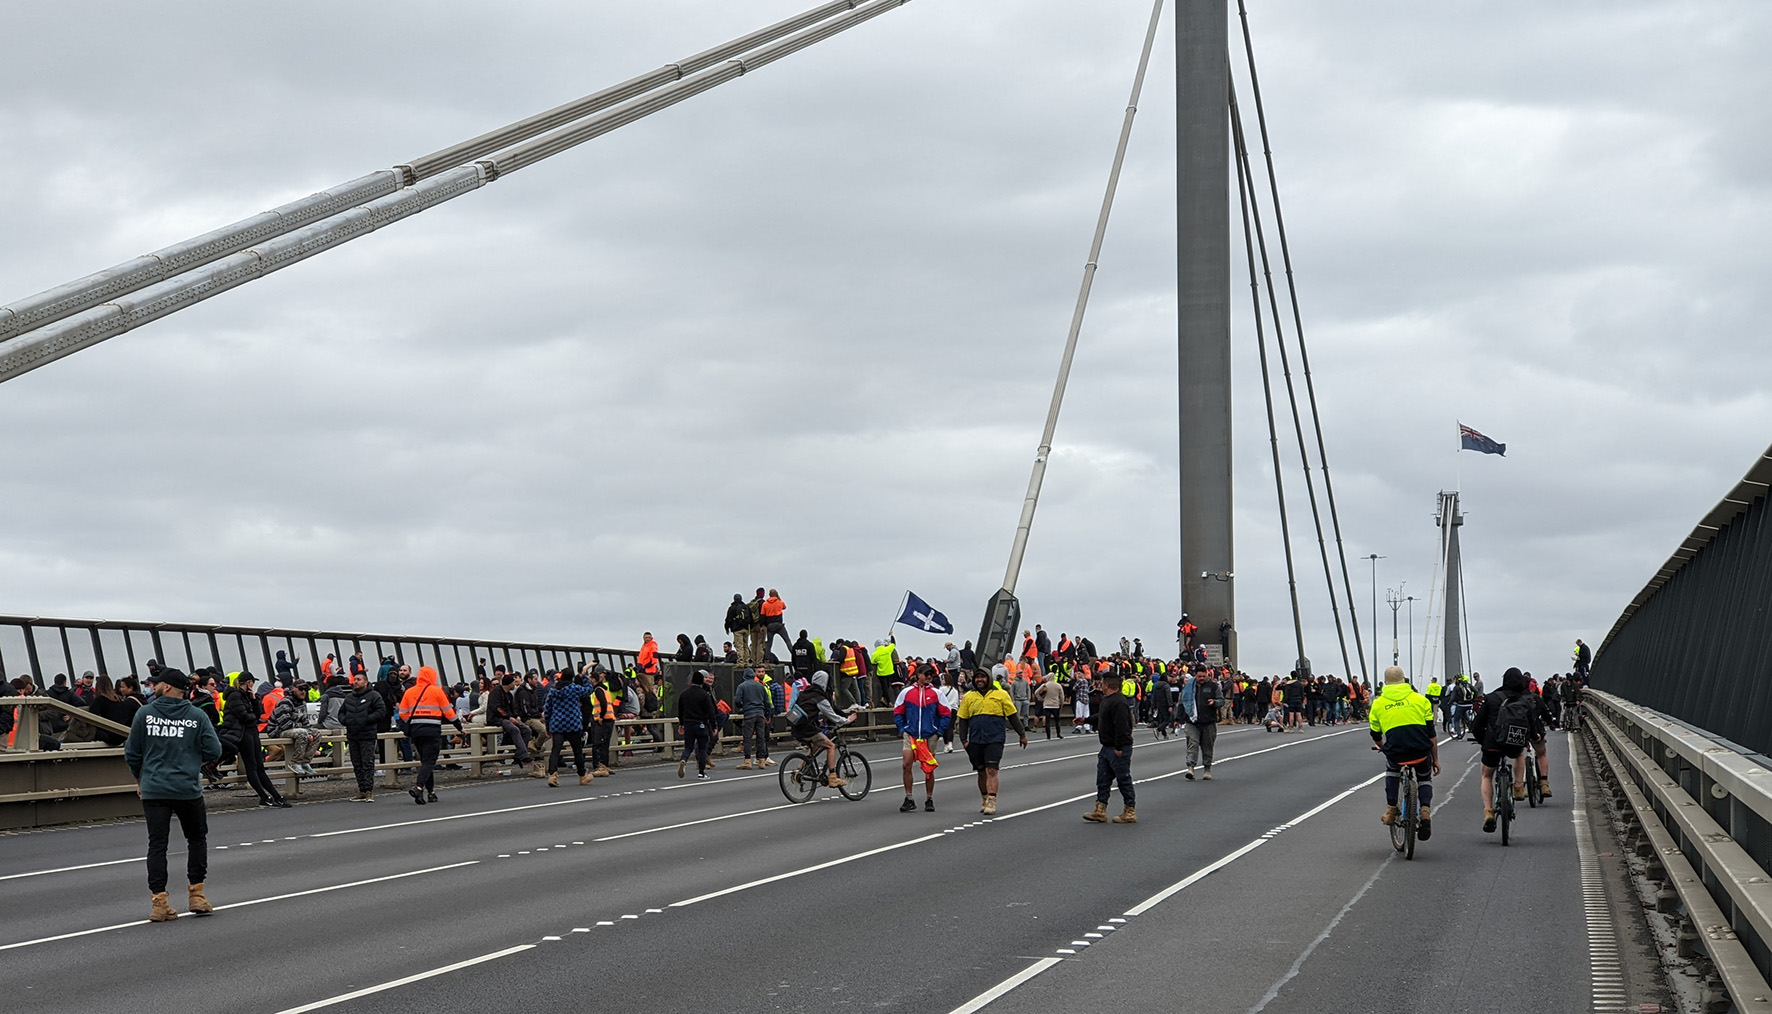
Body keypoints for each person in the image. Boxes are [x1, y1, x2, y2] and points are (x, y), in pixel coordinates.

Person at [124, 668, 223, 923]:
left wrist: (140, 779)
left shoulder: (145, 714)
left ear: (166, 687)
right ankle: (197, 896)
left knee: (157, 844)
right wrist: (191, 761)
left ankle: (160, 903)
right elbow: (214, 749)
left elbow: (132, 753)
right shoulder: (197, 716)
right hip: (186, 788)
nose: (153, 686)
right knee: (197, 839)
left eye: (157, 683)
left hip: (154, 788)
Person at [1471, 666, 1551, 832]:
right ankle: (1519, 787)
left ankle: (1488, 812)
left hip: (1493, 745)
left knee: (1487, 775)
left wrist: (1483, 741)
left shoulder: (1492, 698)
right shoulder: (1525, 700)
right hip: (1514, 744)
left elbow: (1477, 725)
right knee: (1519, 754)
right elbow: (1531, 725)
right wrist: (1535, 736)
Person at [1369, 665, 1439, 838]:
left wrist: (1382, 746)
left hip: (1397, 752)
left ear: (1385, 682)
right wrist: (1435, 759)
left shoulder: (1378, 704)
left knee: (1392, 770)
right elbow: (1431, 735)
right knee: (1424, 778)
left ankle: (1391, 810)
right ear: (1404, 680)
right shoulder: (1421, 700)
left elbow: (1375, 733)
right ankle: (1425, 812)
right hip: (1421, 752)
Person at [955, 669, 1026, 816]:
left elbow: (1012, 716)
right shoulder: (969, 696)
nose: (980, 680)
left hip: (995, 738)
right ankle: (985, 798)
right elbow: (963, 719)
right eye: (977, 677)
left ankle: (992, 801)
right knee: (981, 772)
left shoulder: (1001, 695)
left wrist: (1022, 734)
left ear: (989, 678)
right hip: (975, 739)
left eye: (983, 677)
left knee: (992, 770)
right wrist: (964, 740)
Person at [398, 666, 462, 804]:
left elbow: (402, 713)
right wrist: (460, 727)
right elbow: (449, 713)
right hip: (432, 730)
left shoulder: (409, 692)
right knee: (429, 761)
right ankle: (419, 787)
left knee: (425, 762)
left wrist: (413, 722)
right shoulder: (437, 691)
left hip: (416, 731)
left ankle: (431, 792)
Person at [892, 665, 951, 812]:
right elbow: (898, 711)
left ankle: (929, 798)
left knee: (928, 768)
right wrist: (902, 729)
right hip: (911, 734)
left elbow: (946, 713)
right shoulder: (906, 692)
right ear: (918, 675)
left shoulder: (937, 694)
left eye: (931, 674)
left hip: (929, 735)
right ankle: (909, 797)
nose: (929, 677)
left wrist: (938, 732)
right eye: (926, 674)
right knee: (906, 765)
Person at [1083, 670, 1137, 824]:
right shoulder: (1108, 700)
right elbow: (1102, 717)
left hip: (1117, 747)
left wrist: (1119, 747)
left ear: (1106, 685)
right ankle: (1100, 809)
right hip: (1106, 747)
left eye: (1102, 683)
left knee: (1123, 779)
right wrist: (1086, 720)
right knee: (1103, 779)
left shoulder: (1119, 702)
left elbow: (1122, 726)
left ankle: (1130, 810)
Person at [788, 671, 857, 786]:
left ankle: (801, 771)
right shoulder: (820, 697)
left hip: (797, 727)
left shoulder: (805, 693)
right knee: (831, 746)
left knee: (816, 745)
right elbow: (832, 715)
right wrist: (847, 720)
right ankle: (833, 777)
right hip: (808, 728)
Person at [335, 671, 388, 801]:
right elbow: (341, 712)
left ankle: (369, 790)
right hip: (353, 734)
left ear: (365, 682)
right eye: (355, 679)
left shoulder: (374, 695)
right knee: (356, 763)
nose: (356, 681)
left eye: (359, 679)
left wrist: (366, 719)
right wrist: (346, 720)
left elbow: (381, 711)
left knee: (367, 763)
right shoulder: (349, 697)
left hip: (367, 734)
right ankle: (362, 790)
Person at [541, 669, 593, 787]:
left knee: (556, 750)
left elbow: (548, 710)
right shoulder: (574, 688)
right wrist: (584, 676)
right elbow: (589, 689)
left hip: (557, 724)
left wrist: (548, 727)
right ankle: (582, 775)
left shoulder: (553, 690)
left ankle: (552, 775)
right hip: (573, 724)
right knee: (577, 751)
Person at [265, 684, 321, 776]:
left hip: (293, 729)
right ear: (293, 689)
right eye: (300, 689)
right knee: (302, 733)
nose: (303, 691)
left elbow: (306, 723)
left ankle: (305, 762)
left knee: (317, 733)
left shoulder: (302, 704)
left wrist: (309, 732)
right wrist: (303, 729)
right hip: (277, 731)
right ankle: (295, 762)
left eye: (305, 689)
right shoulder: (285, 702)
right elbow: (285, 724)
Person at [676, 670, 717, 780]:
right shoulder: (704, 694)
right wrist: (714, 726)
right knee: (702, 748)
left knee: (688, 746)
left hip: (688, 724)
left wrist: (681, 724)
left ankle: (684, 759)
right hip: (701, 724)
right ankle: (701, 773)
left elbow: (680, 710)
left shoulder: (684, 694)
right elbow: (710, 711)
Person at [1182, 667, 1219, 779]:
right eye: (1199, 676)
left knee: (1207, 746)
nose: (1202, 678)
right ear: (1195, 676)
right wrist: (1178, 719)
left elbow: (1221, 700)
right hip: (1192, 721)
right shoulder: (1189, 687)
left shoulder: (1213, 686)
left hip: (1208, 722)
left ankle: (1207, 769)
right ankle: (1190, 768)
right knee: (1192, 744)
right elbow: (1182, 702)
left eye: (1204, 676)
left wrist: (1215, 702)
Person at [734, 668, 773, 770]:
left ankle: (747, 761)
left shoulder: (742, 686)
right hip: (760, 714)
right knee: (761, 738)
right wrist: (767, 715)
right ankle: (762, 760)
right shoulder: (761, 686)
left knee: (747, 738)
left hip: (749, 713)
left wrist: (742, 706)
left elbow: (737, 700)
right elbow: (767, 702)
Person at [586, 667, 618, 777]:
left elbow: (603, 704)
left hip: (602, 720)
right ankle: (604, 764)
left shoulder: (598, 690)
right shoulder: (605, 689)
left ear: (593, 680)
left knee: (597, 744)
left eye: (590, 679)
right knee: (605, 744)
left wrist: (600, 716)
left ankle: (598, 766)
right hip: (610, 719)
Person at [1033, 672, 1066, 739]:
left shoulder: (1045, 685)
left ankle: (1048, 736)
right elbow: (1062, 696)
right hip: (1055, 705)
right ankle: (1058, 734)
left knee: (1047, 721)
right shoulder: (1058, 685)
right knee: (1057, 720)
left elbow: (1036, 692)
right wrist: (1061, 704)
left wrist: (1041, 699)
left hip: (1047, 705)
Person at [725, 594, 754, 669]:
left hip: (737, 629)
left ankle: (741, 662)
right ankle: (747, 662)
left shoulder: (732, 608)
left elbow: (728, 619)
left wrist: (727, 628)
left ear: (734, 599)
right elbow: (751, 618)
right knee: (745, 645)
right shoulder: (746, 607)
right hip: (746, 629)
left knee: (739, 646)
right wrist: (751, 628)